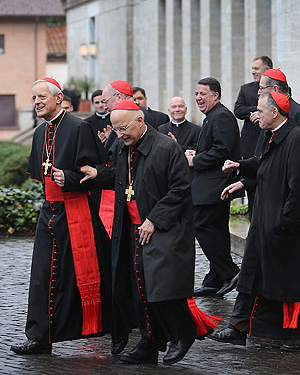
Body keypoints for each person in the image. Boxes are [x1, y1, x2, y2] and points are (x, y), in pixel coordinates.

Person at [208, 92, 300, 352]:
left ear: (275, 112)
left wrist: (285, 223)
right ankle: (238, 327)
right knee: (252, 273)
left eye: (260, 111)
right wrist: (240, 166)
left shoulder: (296, 138)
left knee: (299, 284)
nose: (256, 116)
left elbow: (299, 187)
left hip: (289, 227)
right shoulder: (275, 135)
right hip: (266, 222)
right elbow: (265, 164)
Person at [79, 100, 219, 365]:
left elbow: (179, 190)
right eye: (115, 130)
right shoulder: (123, 146)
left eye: (123, 129)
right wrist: (97, 172)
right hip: (132, 229)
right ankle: (149, 342)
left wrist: (154, 219)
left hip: (165, 230)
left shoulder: (167, 148)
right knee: (137, 289)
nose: (119, 135)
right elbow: (121, 177)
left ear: (140, 121)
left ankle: (183, 333)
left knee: (163, 288)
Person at [10, 78, 113, 355]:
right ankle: (39, 337)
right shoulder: (39, 132)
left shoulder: (80, 128)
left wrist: (68, 176)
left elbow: (100, 172)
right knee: (42, 275)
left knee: (92, 274)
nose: (36, 102)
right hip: (50, 211)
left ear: (58, 98)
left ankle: (114, 329)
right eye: (33, 98)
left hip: (77, 210)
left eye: (41, 97)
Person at [226, 69, 300, 204]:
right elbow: (264, 158)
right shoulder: (269, 115)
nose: (258, 92)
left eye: (261, 88)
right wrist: (244, 177)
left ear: (275, 89)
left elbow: (299, 166)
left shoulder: (296, 114)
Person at [185, 77, 241, 298]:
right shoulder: (213, 116)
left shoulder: (222, 116)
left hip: (215, 185)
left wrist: (195, 160)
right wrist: (196, 154)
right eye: (196, 93)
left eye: (202, 94)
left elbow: (222, 150)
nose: (198, 97)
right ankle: (214, 280)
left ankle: (230, 272)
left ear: (215, 95)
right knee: (216, 230)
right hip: (211, 184)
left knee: (203, 226)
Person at [233, 56, 273, 204]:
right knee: (251, 184)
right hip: (250, 144)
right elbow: (238, 110)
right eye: (252, 69)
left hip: (270, 141)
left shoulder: (276, 88)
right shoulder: (246, 89)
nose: (253, 72)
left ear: (267, 70)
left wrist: (261, 111)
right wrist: (254, 111)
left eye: (256, 68)